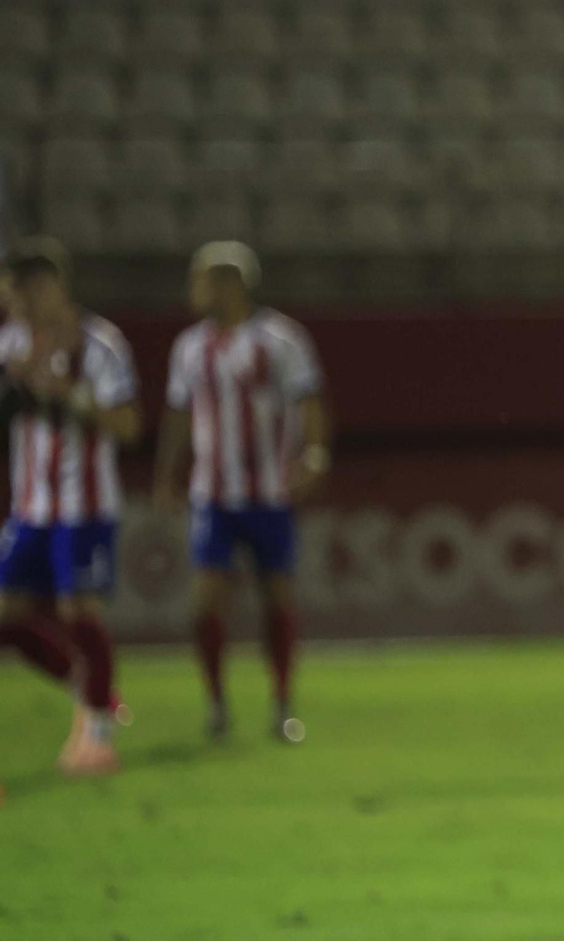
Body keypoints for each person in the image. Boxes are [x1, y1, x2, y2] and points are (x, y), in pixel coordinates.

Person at [152, 242, 329, 742]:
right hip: (213, 495)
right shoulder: (189, 347)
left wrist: (315, 453)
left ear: (231, 284)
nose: (194, 290)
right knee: (205, 603)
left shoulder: (280, 339)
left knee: (277, 598)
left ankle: (282, 704)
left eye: (202, 280)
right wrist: (167, 474)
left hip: (270, 493)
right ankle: (217, 705)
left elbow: (309, 399)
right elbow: (179, 412)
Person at [0, 237, 140, 775]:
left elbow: (128, 425)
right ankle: (92, 690)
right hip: (29, 506)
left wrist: (68, 394)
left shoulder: (100, 344)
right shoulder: (11, 343)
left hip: (85, 504)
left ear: (51, 287)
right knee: (7, 615)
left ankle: (98, 737)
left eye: (20, 292)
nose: (14, 304)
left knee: (78, 612)